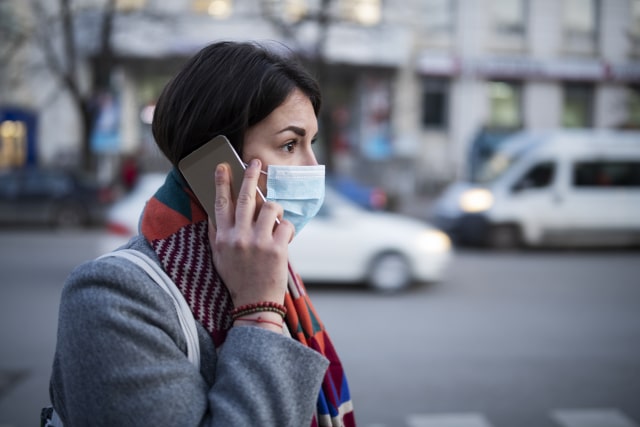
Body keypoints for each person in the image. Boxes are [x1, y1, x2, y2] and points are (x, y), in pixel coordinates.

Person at [47, 41, 356, 427]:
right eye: (290, 144)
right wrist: (259, 310)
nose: (313, 166)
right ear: (218, 164)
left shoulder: (268, 268)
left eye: (312, 143)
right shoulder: (111, 298)